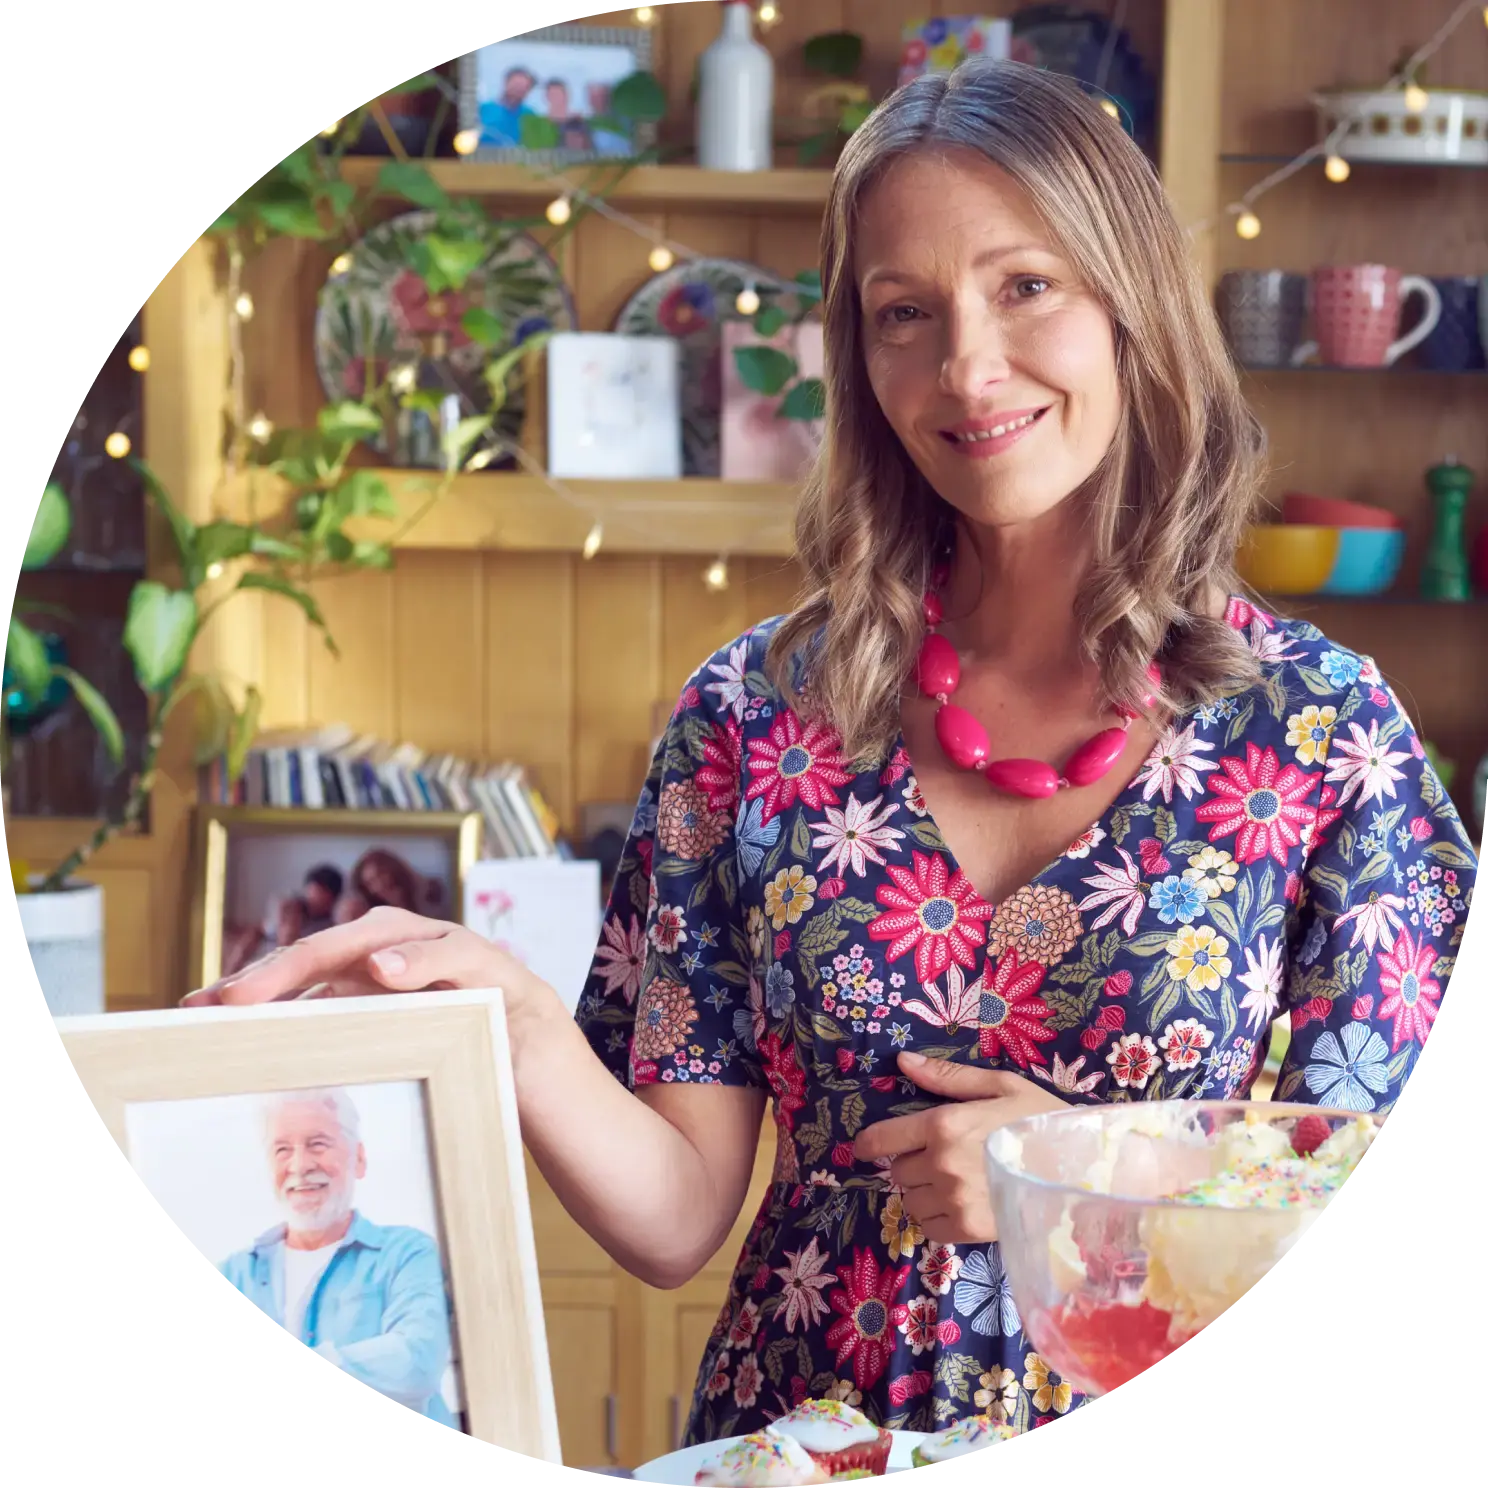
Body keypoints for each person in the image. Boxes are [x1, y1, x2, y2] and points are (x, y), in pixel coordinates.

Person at [184, 59, 1478, 1442]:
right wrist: (519, 1028)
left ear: (1130, 307)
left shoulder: (1325, 731)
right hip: (794, 1442)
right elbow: (678, 1216)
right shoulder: (747, 720)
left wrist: (1089, 1174)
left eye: (1025, 286)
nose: (967, 368)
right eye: (903, 314)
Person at [217, 1087, 458, 1430]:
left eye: (317, 1144)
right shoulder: (234, 1274)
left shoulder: (407, 1253)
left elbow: (415, 1364)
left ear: (358, 1159)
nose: (299, 1165)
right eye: (282, 1149)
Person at [478, 66, 536, 146]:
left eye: (524, 87)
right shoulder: (483, 109)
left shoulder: (530, 116)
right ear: (506, 82)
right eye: (516, 84)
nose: (519, 89)